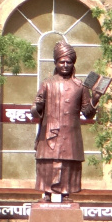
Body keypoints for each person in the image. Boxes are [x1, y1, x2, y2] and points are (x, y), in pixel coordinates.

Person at [30, 40, 104, 202]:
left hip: (70, 133)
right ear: (56, 63)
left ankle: (66, 194)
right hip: (50, 132)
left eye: (68, 62)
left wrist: (95, 99)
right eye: (61, 62)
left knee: (68, 163)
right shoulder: (47, 84)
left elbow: (87, 113)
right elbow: (34, 111)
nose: (65, 65)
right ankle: (47, 194)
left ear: (73, 64)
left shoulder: (80, 86)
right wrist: (39, 106)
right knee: (48, 162)